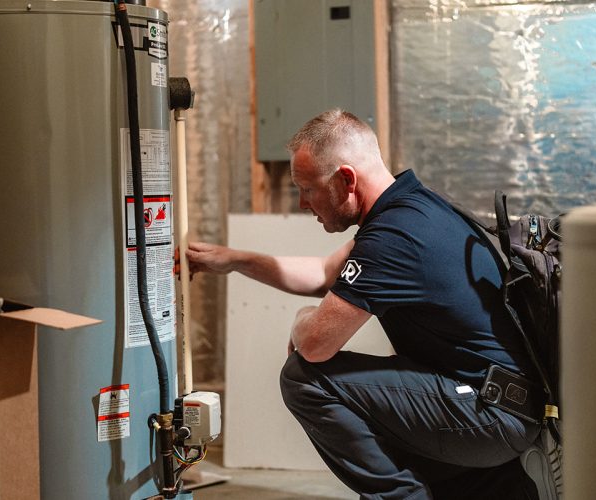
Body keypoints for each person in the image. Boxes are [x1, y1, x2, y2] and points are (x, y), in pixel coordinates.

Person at [187, 109, 541, 499]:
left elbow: (316, 346)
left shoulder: (395, 237)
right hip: (499, 404)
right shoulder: (412, 209)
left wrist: (301, 322)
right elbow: (323, 273)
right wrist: (235, 260)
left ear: (345, 179)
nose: (304, 202)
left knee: (305, 379)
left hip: (487, 414)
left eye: (307, 188)